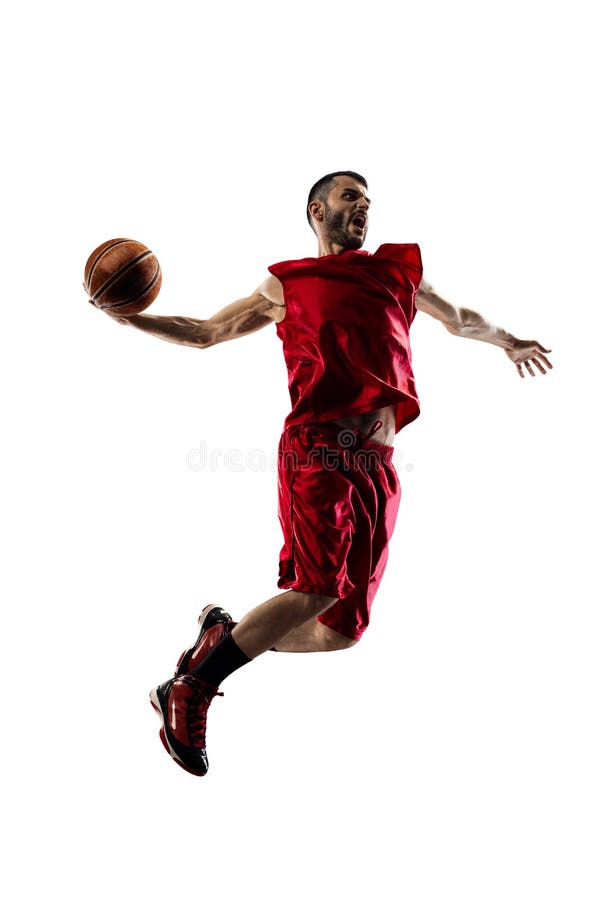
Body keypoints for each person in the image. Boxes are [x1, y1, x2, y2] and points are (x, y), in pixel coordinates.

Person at [108, 171, 552, 776]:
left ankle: (222, 637)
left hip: (378, 465)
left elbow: (461, 319)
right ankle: (190, 689)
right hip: (318, 446)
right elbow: (208, 332)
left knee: (338, 631)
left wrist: (508, 341)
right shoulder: (289, 282)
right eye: (351, 197)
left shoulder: (396, 272)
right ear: (318, 210)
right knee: (316, 586)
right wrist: (134, 320)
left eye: (368, 200)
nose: (363, 207)